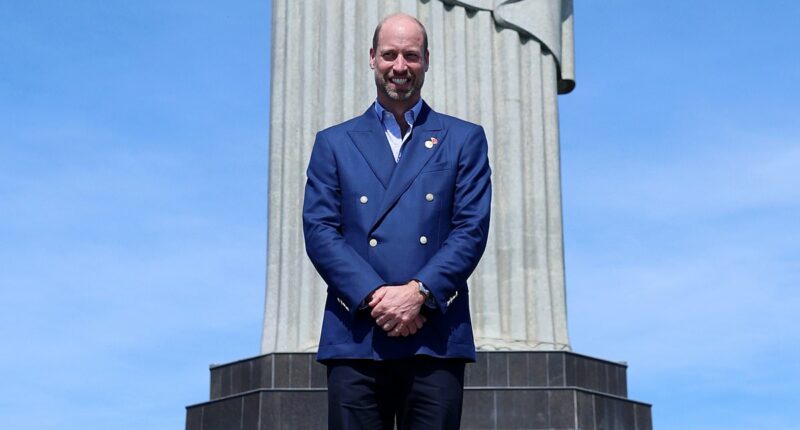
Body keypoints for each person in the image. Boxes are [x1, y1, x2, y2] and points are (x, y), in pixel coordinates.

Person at [302, 13, 491, 430]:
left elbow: (471, 229)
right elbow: (319, 231)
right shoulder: (334, 143)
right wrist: (376, 297)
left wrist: (419, 293)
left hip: (435, 332)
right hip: (356, 334)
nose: (399, 67)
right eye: (389, 55)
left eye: (410, 55)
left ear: (427, 59)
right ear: (372, 58)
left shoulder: (463, 139)